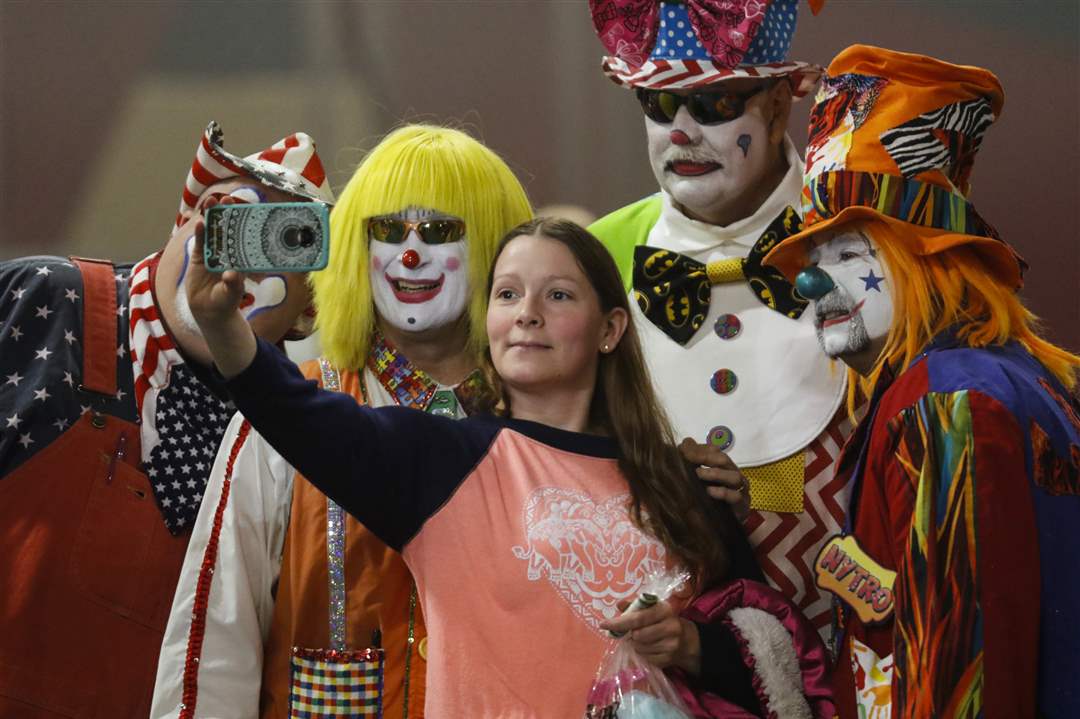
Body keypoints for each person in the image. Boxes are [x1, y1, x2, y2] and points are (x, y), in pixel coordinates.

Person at [185, 216, 835, 718]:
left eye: (556, 294)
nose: (527, 312)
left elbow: (777, 657)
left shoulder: (684, 484)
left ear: (610, 329)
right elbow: (298, 411)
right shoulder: (442, 463)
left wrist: (692, 647)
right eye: (507, 293)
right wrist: (221, 323)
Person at [151, 125, 533, 718]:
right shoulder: (281, 414)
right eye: (387, 230)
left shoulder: (543, 420)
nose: (409, 254)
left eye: (437, 231)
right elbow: (220, 636)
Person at [763, 44, 1080, 718]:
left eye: (849, 252)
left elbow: (960, 679)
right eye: (811, 259)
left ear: (929, 262)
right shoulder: (1013, 382)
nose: (814, 282)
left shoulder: (948, 402)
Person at [0, 121, 334, 716]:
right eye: (230, 223)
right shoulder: (46, 305)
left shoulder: (297, 440)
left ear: (307, 312)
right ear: (186, 219)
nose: (242, 266)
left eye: (284, 244)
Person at [586, 0, 849, 642]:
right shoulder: (591, 258)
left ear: (780, 100)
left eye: (712, 105)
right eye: (657, 106)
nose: (679, 132)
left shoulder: (857, 246)